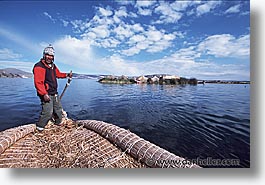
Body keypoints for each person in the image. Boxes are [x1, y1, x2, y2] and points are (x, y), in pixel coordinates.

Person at [33, 44, 72, 131]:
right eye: (47, 55)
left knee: (58, 110)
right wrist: (44, 94)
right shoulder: (39, 66)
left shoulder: (53, 66)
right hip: (46, 94)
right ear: (44, 55)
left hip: (54, 93)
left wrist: (66, 75)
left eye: (51, 55)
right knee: (48, 112)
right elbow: (38, 82)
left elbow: (58, 74)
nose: (49, 57)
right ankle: (40, 128)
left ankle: (58, 124)